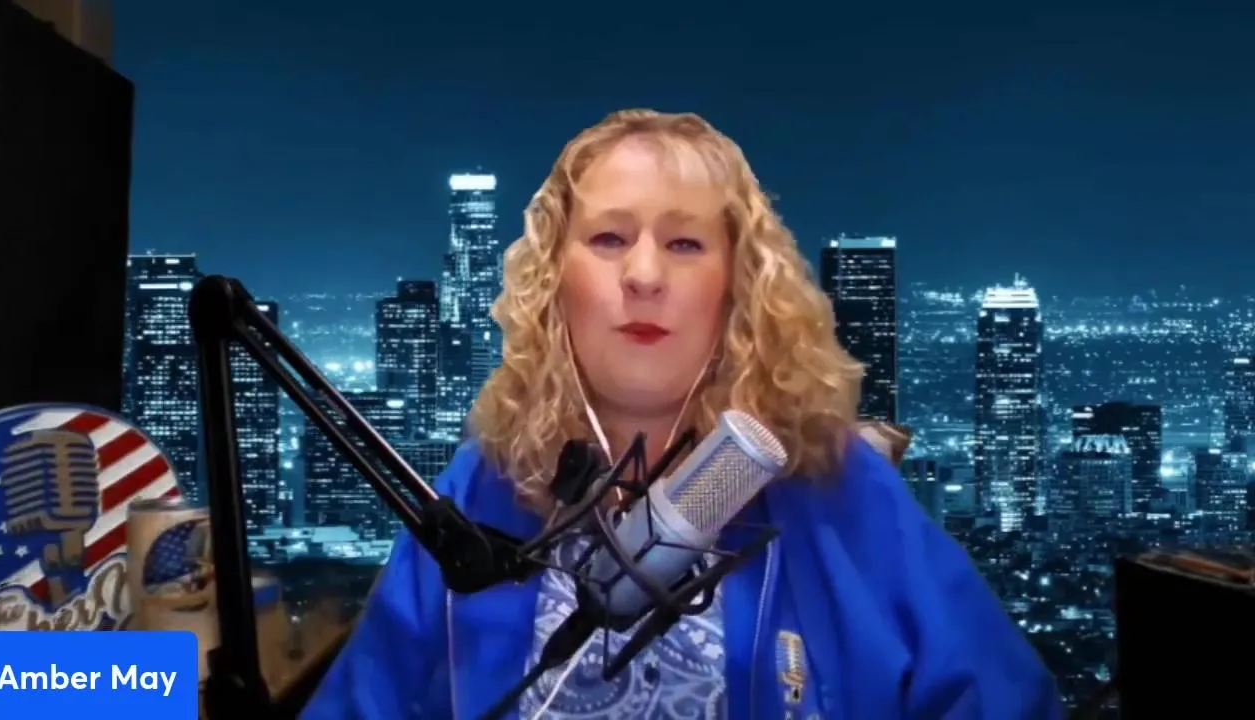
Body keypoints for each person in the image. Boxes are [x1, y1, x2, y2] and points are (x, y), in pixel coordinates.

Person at [302, 109, 1063, 719]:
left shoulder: (840, 486)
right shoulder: (483, 485)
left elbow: (1005, 700)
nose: (643, 273)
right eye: (609, 238)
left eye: (685, 243)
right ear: (554, 282)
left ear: (738, 286)